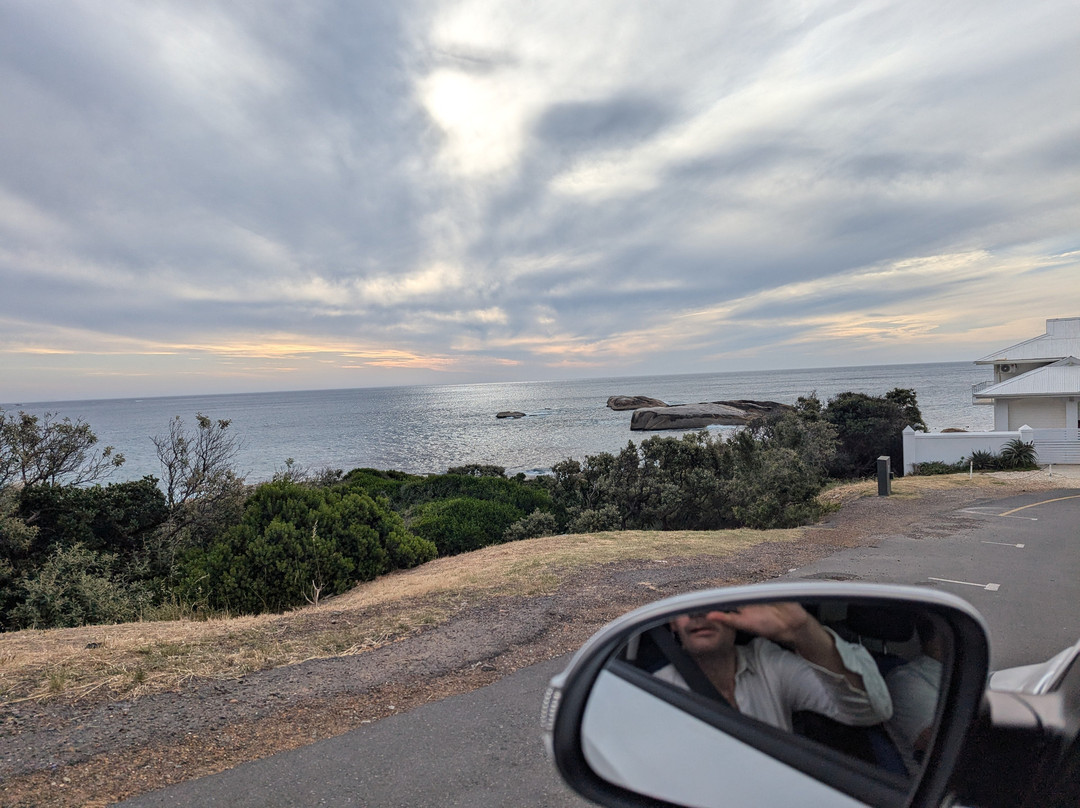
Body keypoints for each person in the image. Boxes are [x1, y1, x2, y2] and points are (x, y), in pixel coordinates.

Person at [653, 602, 892, 732]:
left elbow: (870, 711)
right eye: (686, 604)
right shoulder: (655, 692)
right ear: (672, 622)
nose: (699, 614)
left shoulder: (767, 663)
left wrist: (802, 630)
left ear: (737, 611)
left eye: (713, 602)